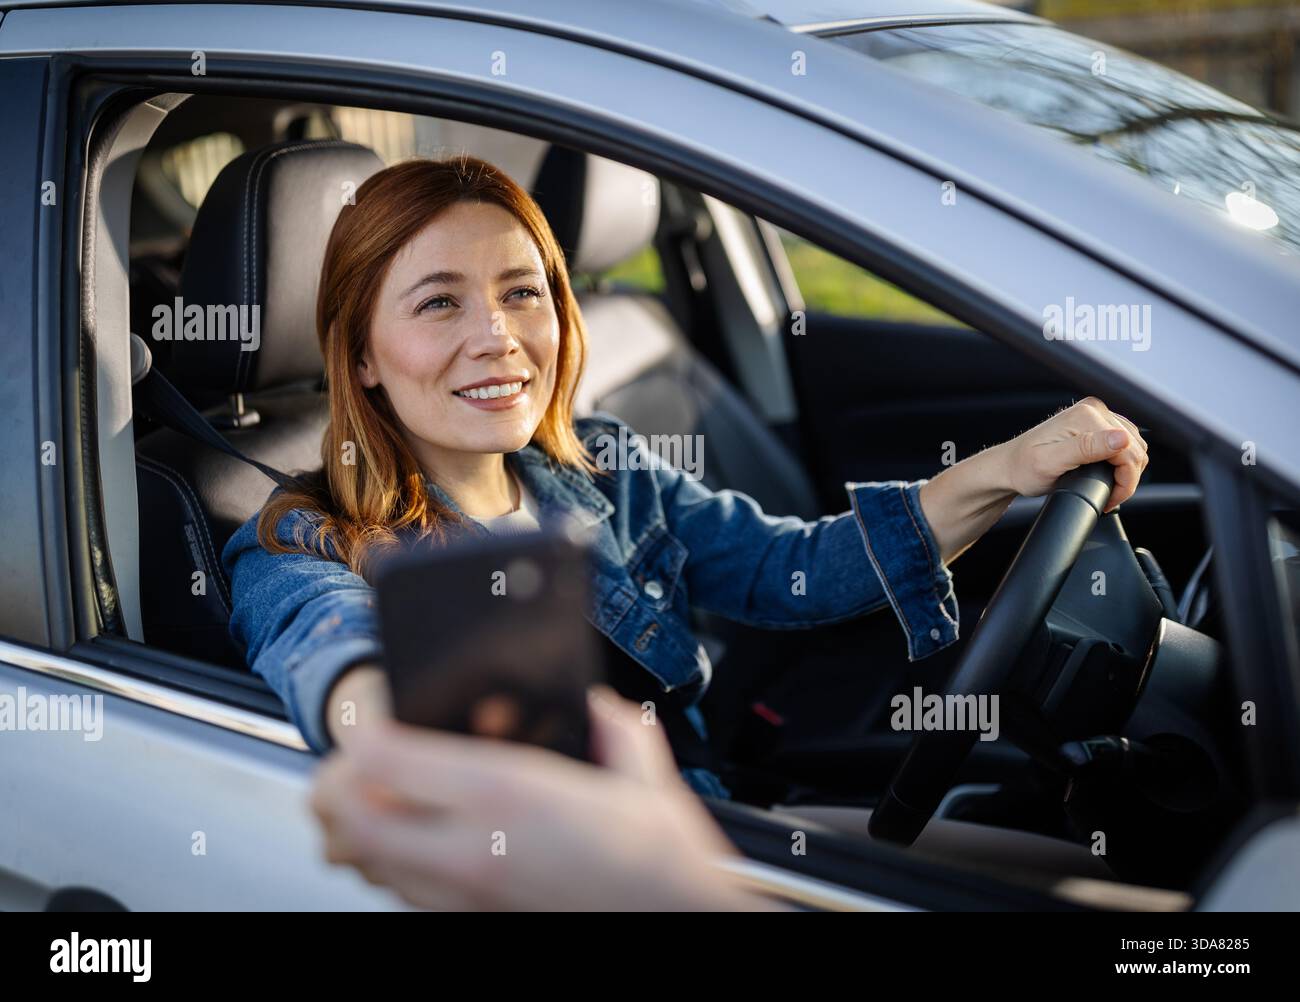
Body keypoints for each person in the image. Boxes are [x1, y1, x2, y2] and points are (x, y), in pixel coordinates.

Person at [221, 153, 1150, 798]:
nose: (497, 336)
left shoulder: (601, 464)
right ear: (364, 356)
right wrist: (396, 729)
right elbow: (329, 648)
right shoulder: (307, 538)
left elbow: (792, 570)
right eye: (438, 303)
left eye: (521, 291)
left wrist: (1014, 467)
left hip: (715, 804)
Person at [310, 686, 780, 911]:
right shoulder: (305, 532)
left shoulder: (619, 489)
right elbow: (328, 627)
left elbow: (781, 564)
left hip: (718, 795)